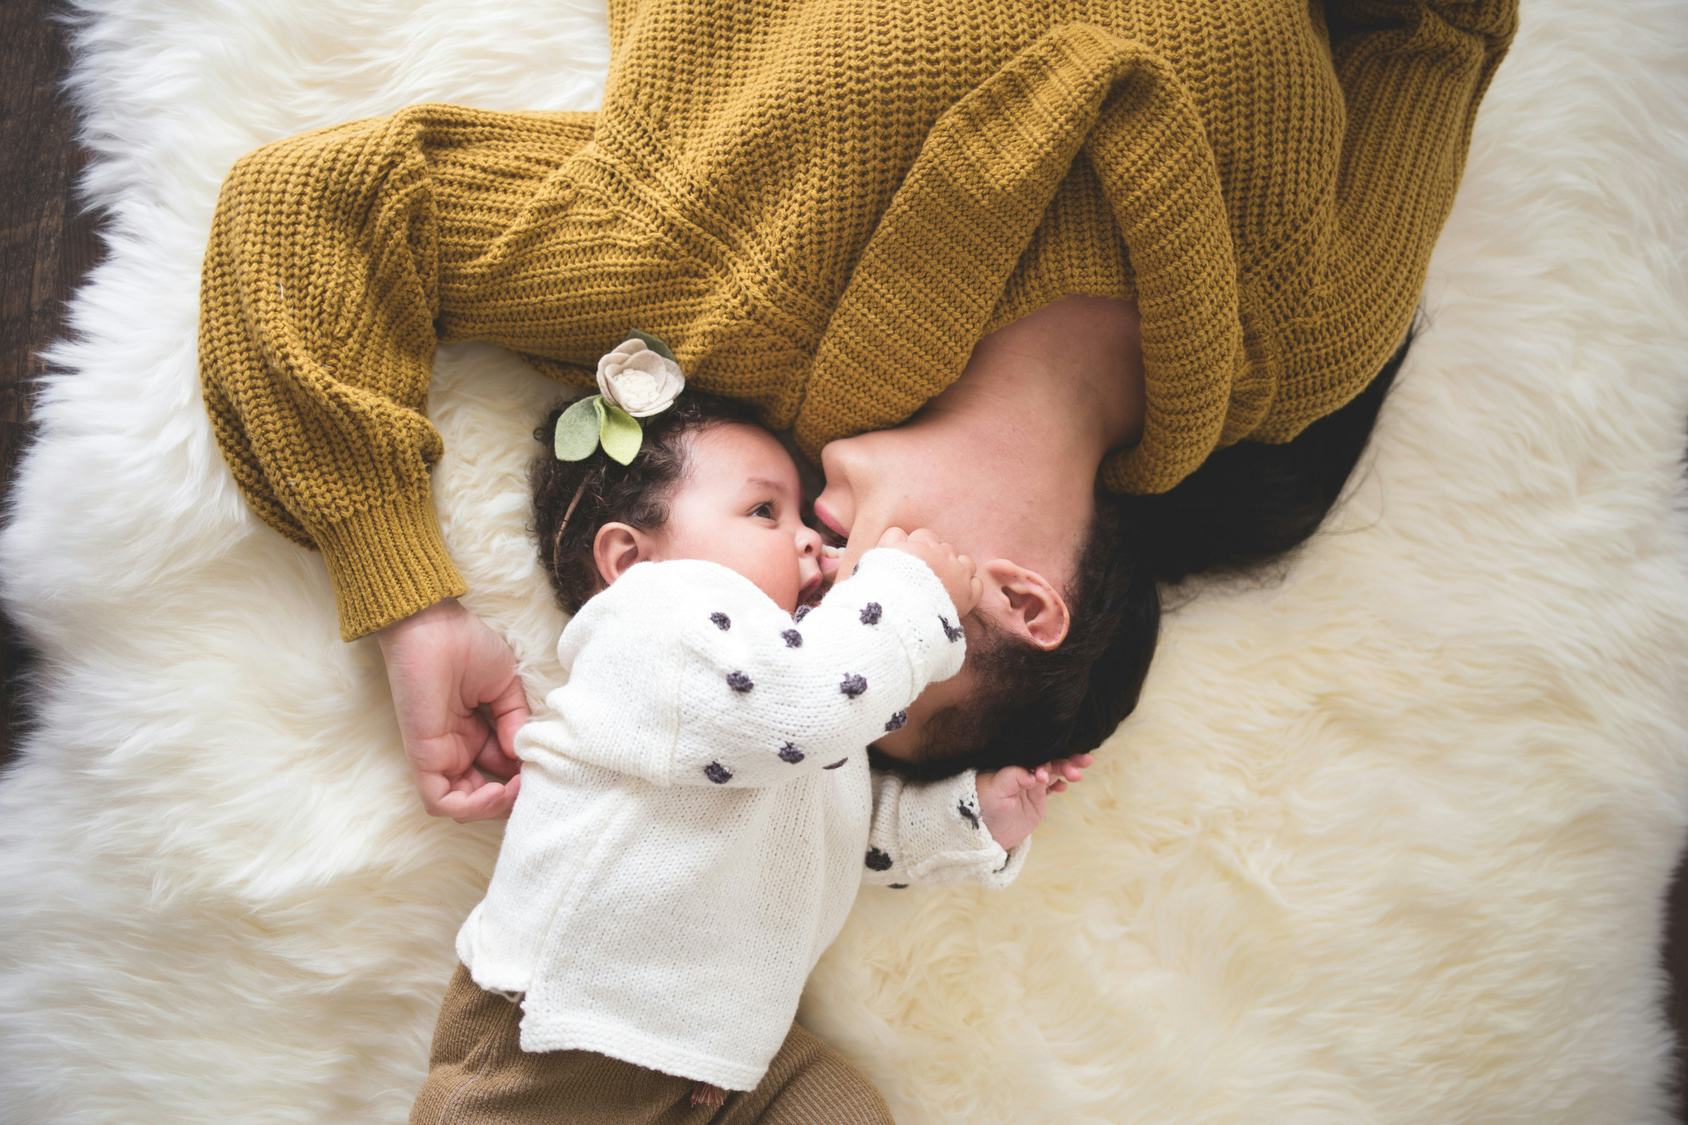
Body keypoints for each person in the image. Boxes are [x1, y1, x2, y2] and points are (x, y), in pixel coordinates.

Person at [196, 0, 1519, 1114]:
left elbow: (309, 214)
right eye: (863, 658)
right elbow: (1443, 27)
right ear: (1018, 601)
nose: (813, 590)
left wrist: (407, 599)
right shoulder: (1302, 337)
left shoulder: (716, 288)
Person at [412, 358, 1088, 1120]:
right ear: (631, 559)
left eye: (804, 519)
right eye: (766, 512)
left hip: (725, 1062)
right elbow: (803, 712)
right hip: (561, 1037)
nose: (812, 543)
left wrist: (970, 816)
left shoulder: (788, 692)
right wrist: (910, 590)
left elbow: (839, 832)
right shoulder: (655, 628)